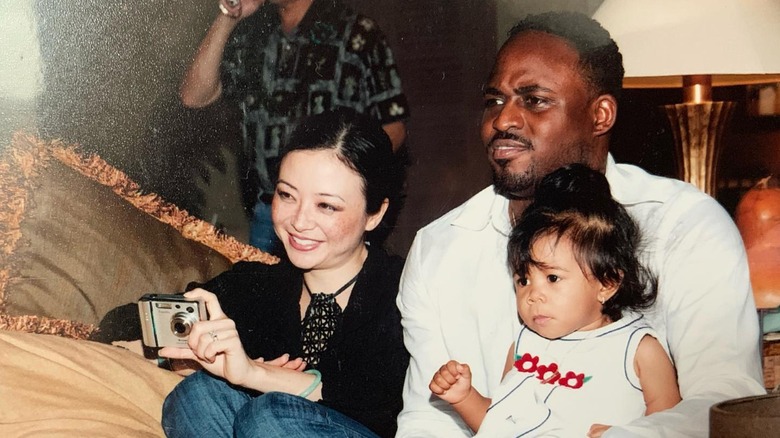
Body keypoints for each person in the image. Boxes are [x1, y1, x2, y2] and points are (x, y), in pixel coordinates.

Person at [396, 11, 765, 437]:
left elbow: (724, 399)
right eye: (494, 100)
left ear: (601, 115)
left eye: (533, 100)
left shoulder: (682, 224)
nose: (502, 120)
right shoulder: (440, 247)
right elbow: (429, 420)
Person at [160, 111, 409, 438]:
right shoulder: (259, 285)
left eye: (327, 206)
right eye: (287, 195)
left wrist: (256, 373)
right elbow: (127, 323)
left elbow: (378, 403)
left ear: (375, 214)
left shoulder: (404, 289)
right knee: (198, 395)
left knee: (270, 418)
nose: (299, 221)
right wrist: (188, 352)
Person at [429, 164, 681, 437]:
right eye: (523, 280)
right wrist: (464, 398)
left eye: (552, 278)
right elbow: (500, 425)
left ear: (607, 283)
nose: (532, 295)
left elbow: (672, 426)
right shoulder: (523, 344)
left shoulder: (638, 349)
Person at [180, 0, 410, 253]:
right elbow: (194, 96)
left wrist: (348, 181)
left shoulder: (357, 32)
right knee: (270, 290)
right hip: (270, 212)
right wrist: (228, 16)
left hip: (330, 216)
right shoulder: (253, 35)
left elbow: (394, 126)